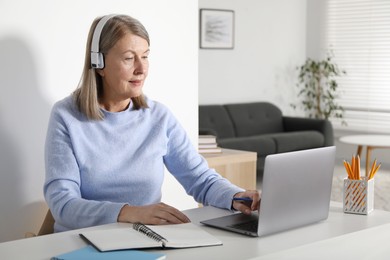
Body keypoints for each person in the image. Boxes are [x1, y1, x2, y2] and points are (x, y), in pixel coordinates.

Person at [44, 14, 260, 232]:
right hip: (81, 240)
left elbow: (200, 179)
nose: (141, 69)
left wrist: (235, 196)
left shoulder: (158, 117)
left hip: (145, 240)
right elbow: (63, 204)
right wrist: (128, 212)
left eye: (145, 56)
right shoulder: (66, 116)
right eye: (129, 58)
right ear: (99, 64)